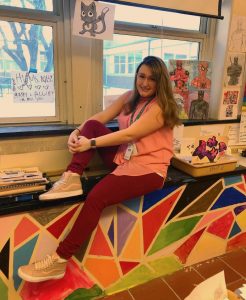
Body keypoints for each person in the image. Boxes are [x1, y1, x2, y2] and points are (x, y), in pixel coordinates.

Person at [18, 56, 180, 283]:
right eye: (141, 76)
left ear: (160, 82)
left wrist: (90, 143)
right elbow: (99, 119)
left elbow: (129, 134)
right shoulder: (129, 98)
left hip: (149, 169)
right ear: (136, 76)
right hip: (124, 159)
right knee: (92, 127)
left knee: (95, 198)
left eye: (151, 79)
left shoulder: (161, 107)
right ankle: (72, 177)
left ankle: (59, 261)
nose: (145, 83)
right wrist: (76, 132)